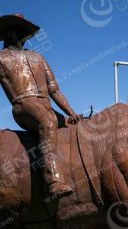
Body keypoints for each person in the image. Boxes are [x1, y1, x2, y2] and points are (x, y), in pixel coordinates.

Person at [0, 14, 80, 198]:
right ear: (10, 35)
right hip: (24, 105)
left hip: (46, 106)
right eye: (20, 33)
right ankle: (53, 180)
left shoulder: (37, 57)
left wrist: (71, 114)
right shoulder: (1, 59)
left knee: (71, 124)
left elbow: (54, 90)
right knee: (48, 121)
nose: (23, 37)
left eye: (24, 34)